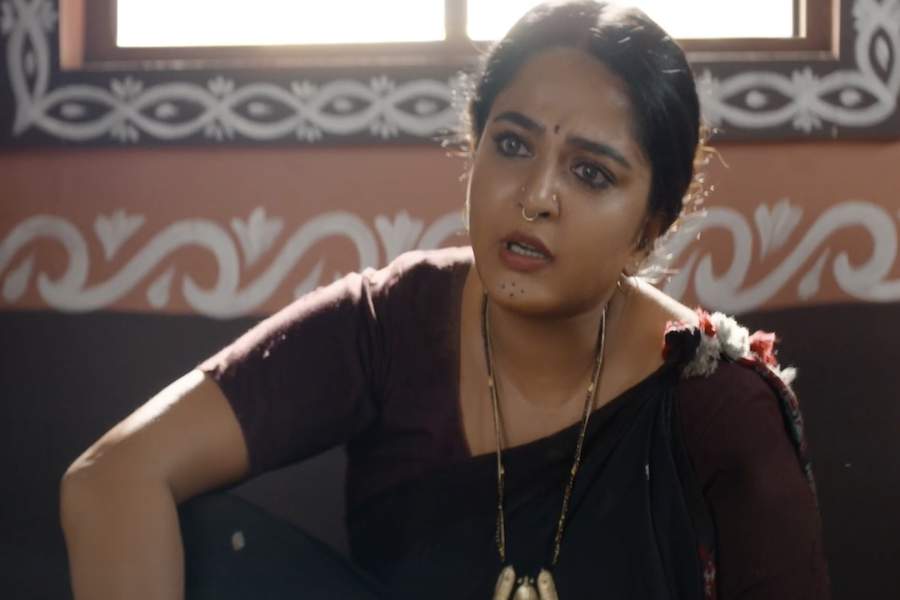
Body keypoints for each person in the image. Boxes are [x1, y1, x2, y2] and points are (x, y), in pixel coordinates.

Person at [59, 1, 830, 599]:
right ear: (474, 146)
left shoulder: (713, 400)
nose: (535, 196)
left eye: (591, 173)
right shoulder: (387, 325)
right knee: (202, 541)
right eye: (512, 144)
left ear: (650, 227)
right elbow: (109, 479)